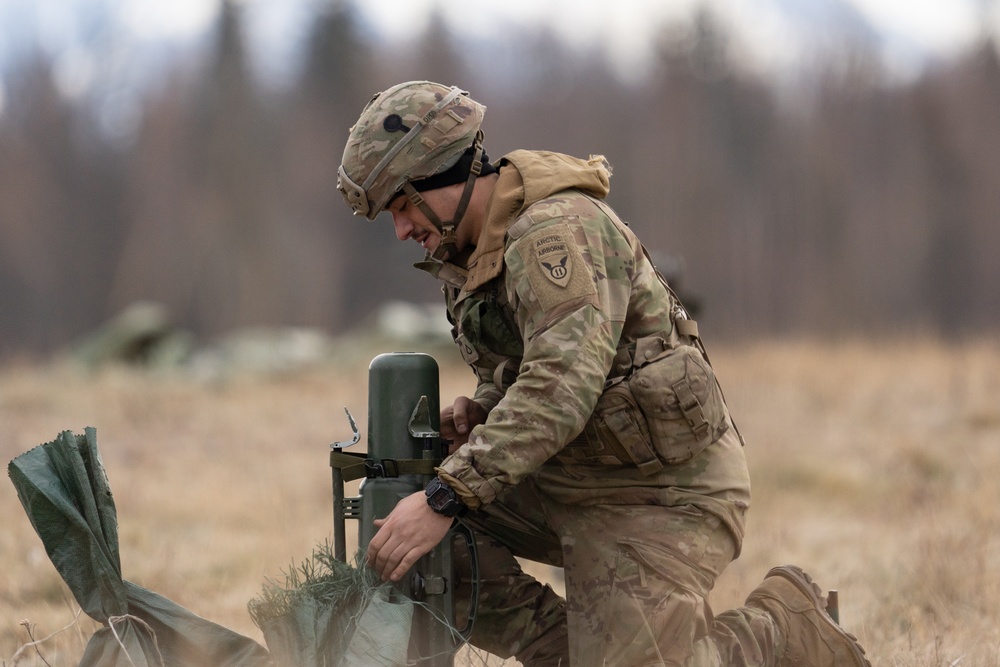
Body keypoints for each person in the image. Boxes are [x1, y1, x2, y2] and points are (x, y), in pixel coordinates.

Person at [337, 80, 870, 667]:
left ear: (442, 175)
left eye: (403, 205)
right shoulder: (468, 253)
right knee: (402, 531)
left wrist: (445, 495)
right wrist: (484, 409)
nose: (402, 230)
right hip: (570, 478)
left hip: (662, 494)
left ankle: (784, 628)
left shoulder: (554, 232)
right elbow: (531, 370)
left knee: (428, 506)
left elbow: (562, 387)